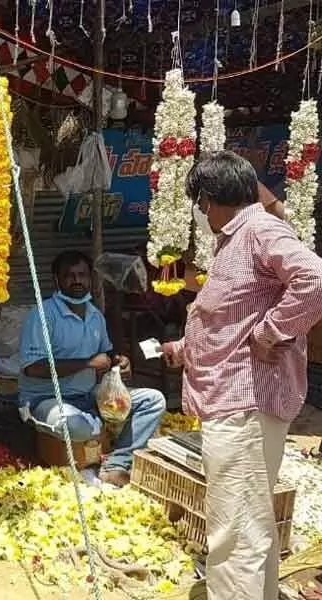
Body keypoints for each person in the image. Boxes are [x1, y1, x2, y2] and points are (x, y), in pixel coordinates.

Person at [161, 151, 322, 600]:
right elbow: (230, 320)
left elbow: (315, 279)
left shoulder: (259, 230)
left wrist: (272, 332)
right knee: (248, 523)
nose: (200, 213)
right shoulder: (237, 238)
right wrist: (184, 349)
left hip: (245, 406)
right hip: (235, 402)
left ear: (210, 199)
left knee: (235, 530)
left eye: (199, 203)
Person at [18, 250, 166, 487]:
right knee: (76, 425)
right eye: (69, 276)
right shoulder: (43, 315)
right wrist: (87, 363)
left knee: (153, 400)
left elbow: (105, 357)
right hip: (47, 400)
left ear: (90, 279)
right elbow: (33, 369)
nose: (77, 281)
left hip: (89, 397)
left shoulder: (95, 316)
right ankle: (95, 429)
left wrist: (118, 363)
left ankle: (117, 463)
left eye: (82, 275)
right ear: (56, 280)